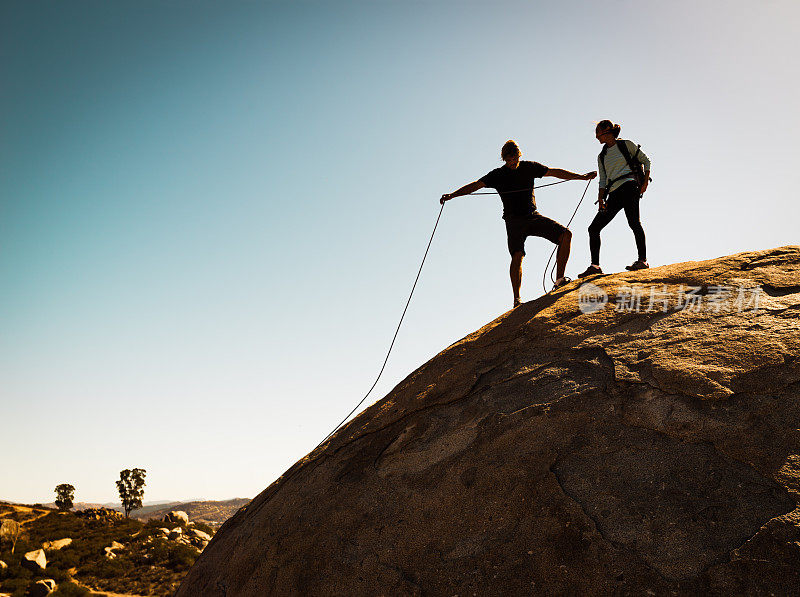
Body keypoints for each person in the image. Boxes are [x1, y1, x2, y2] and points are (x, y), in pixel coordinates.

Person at [440, 139, 596, 308]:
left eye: (515, 158)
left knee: (566, 235)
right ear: (504, 159)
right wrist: (452, 195)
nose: (512, 162)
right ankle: (517, 299)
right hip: (513, 221)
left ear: (519, 155)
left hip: (532, 216)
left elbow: (554, 172)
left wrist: (581, 177)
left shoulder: (529, 167)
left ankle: (559, 280)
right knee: (517, 255)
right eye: (509, 159)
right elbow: (475, 185)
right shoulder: (497, 175)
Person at [579, 120, 651, 278]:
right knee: (594, 228)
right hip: (614, 193)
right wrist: (601, 198)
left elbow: (646, 161)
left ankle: (642, 261)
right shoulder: (602, 155)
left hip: (630, 187)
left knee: (634, 222)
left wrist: (645, 182)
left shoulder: (626, 145)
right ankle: (595, 266)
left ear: (606, 131)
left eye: (597, 132)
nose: (596, 136)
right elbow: (603, 179)